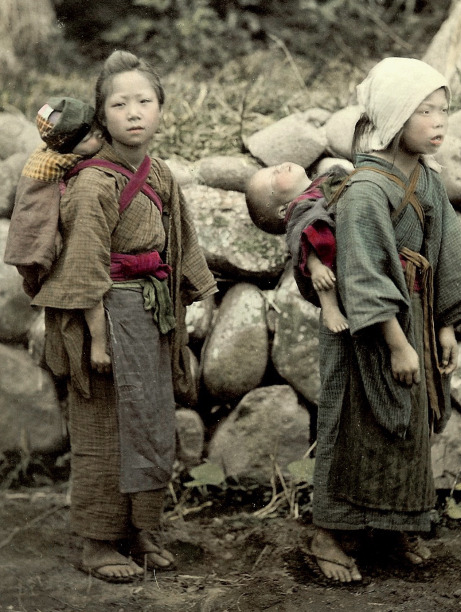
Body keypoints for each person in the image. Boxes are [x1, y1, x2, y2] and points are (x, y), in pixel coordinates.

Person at [298, 57, 461, 583]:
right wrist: (396, 343)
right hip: (370, 331)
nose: (439, 123)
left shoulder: (425, 180)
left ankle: (393, 528)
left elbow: (443, 252)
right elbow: (362, 272)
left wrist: (444, 327)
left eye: (444, 111)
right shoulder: (366, 190)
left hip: (417, 315)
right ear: (392, 116)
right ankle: (329, 535)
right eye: (424, 111)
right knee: (362, 425)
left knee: (408, 426)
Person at [30, 50, 217, 583]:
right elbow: (85, 263)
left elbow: (182, 239)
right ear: (100, 115)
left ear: (161, 109)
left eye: (145, 101)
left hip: (151, 315)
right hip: (106, 317)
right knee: (104, 429)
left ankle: (142, 530)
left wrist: (196, 294)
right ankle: (96, 542)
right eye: (119, 103)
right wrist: (95, 339)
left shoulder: (158, 172)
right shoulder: (93, 183)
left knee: (151, 425)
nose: (134, 112)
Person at [4, 97, 103, 297]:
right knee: (39, 250)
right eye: (88, 138)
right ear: (68, 147)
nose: (98, 137)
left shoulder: (50, 146)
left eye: (97, 130)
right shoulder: (62, 158)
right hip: (33, 217)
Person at [245, 161, 350, 333]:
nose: (279, 167)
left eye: (272, 168)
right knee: (312, 229)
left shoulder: (321, 183)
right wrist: (315, 267)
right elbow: (301, 239)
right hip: (324, 266)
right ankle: (330, 307)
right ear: (283, 210)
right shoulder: (298, 211)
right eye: (273, 177)